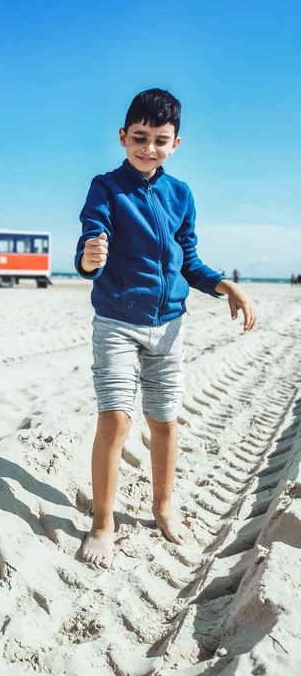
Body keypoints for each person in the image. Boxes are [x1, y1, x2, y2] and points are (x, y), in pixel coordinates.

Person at [75, 88, 257, 569]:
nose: (148, 148)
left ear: (175, 143)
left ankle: (162, 508)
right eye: (139, 138)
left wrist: (225, 287)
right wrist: (89, 260)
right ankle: (103, 523)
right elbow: (91, 239)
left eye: (160, 140)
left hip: (169, 328)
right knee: (115, 418)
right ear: (123, 137)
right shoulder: (106, 188)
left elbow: (190, 262)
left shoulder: (181, 195)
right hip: (116, 322)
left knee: (164, 421)